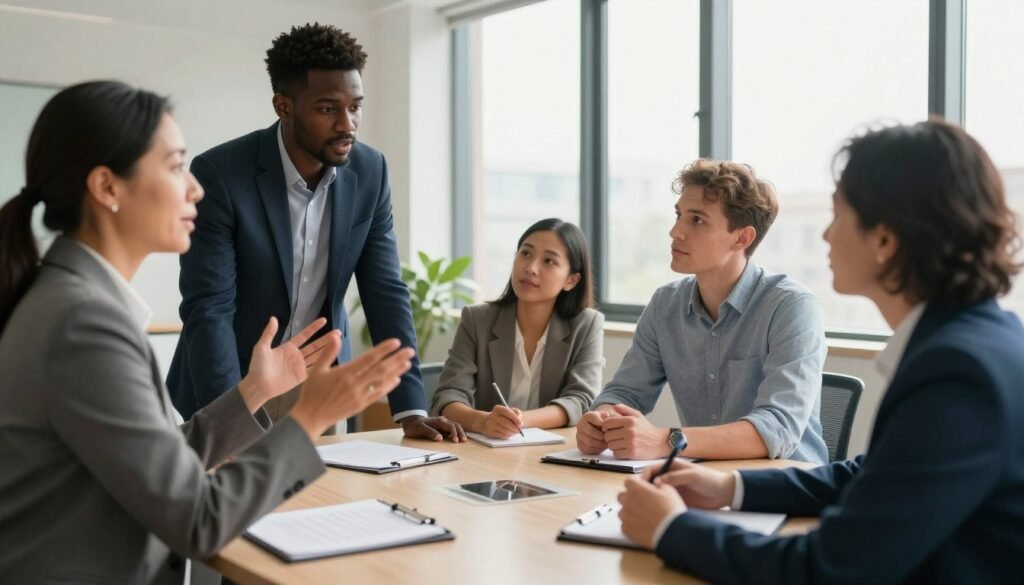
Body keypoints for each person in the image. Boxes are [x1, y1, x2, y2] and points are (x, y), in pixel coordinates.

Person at [0, 81, 415, 584]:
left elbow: (160, 464)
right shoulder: (83, 324)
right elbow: (198, 519)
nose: (194, 187)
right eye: (175, 167)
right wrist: (309, 416)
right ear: (108, 187)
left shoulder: (77, 302)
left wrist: (254, 391)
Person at [617, 119, 1024, 584]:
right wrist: (730, 487)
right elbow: (871, 475)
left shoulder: (958, 374)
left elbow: (829, 569)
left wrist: (671, 528)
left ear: (886, 240)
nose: (826, 236)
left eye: (838, 215)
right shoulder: (973, 343)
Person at [166, 23, 463, 441]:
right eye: (328, 109)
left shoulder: (370, 171)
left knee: (325, 503)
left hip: (317, 385)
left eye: (355, 106)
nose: (348, 124)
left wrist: (411, 409)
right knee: (231, 502)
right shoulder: (221, 174)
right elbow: (210, 308)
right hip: (234, 380)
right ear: (283, 106)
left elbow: (384, 289)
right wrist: (227, 418)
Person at [577, 160, 828, 463]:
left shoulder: (791, 307)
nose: (675, 231)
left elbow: (778, 428)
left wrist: (666, 440)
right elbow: (625, 393)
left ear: (742, 238)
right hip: (702, 480)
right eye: (678, 215)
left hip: (784, 485)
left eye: (696, 221)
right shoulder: (665, 305)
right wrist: (601, 421)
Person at [430, 219, 603, 438]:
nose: (530, 268)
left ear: (571, 280)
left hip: (552, 453)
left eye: (549, 261)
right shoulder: (477, 319)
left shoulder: (587, 325)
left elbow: (581, 400)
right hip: (485, 452)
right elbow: (447, 396)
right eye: (526, 254)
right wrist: (483, 421)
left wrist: (520, 420)